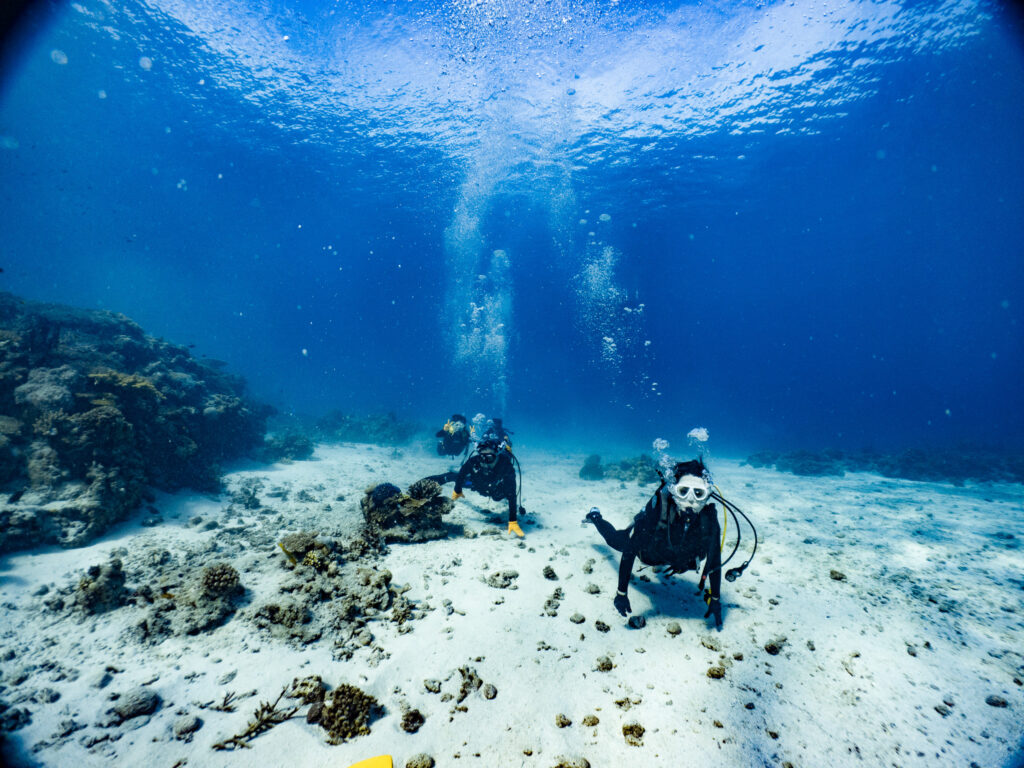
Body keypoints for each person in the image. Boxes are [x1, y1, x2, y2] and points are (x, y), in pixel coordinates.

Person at [584, 458, 723, 628]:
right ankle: (595, 517)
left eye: (699, 493)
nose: (691, 500)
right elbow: (630, 550)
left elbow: (714, 559)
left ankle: (674, 563)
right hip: (651, 552)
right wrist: (621, 593)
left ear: (707, 494)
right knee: (616, 540)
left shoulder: (708, 518)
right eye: (683, 491)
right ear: (673, 491)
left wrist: (715, 598)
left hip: (683, 558)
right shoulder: (659, 511)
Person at [425, 437, 525, 537]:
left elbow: (512, 493)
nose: (485, 461)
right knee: (449, 476)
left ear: (497, 455)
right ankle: (418, 491)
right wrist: (457, 489)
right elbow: (462, 473)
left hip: (496, 489)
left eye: (489, 457)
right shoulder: (475, 460)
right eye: (482, 457)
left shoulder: (505, 465)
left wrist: (513, 521)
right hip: (477, 484)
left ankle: (507, 443)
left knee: (498, 497)